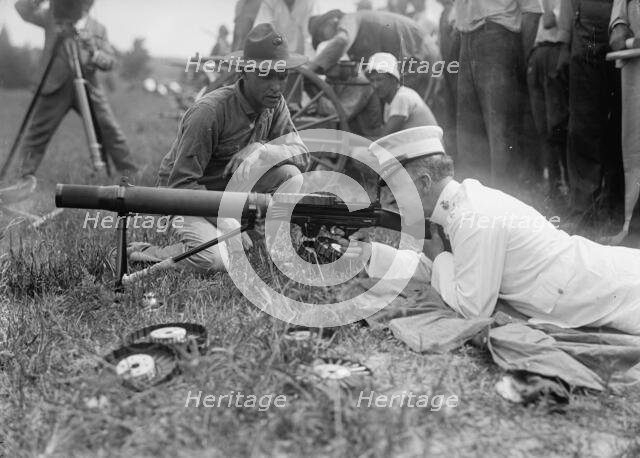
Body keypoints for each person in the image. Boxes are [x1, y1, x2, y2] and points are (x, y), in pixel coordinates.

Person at [338, 126, 640, 335]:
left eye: (395, 192)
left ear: (425, 183)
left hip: (619, 290)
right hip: (601, 278)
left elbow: (472, 309)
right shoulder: (461, 205)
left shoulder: (472, 217)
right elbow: (441, 268)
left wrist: (440, 257)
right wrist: (369, 253)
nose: (392, 203)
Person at [128, 24, 310, 273]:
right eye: (267, 75)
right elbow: (181, 183)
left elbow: (302, 154)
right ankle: (142, 252)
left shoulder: (274, 103)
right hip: (189, 199)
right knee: (212, 260)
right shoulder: (209, 111)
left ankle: (254, 240)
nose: (277, 86)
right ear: (245, 73)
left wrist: (263, 149)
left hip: (231, 193)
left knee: (291, 175)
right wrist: (227, 225)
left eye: (282, 75)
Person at [14, 0, 138, 179]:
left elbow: (110, 61)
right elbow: (22, 9)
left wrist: (93, 51)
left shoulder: (98, 28)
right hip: (55, 86)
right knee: (36, 134)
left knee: (110, 130)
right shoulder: (53, 16)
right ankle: (22, 179)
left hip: (89, 87)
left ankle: (130, 174)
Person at [454, 0, 540, 188]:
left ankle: (505, 205)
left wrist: (518, 57)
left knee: (501, 133)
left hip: (498, 35)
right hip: (466, 37)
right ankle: (476, 207)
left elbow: (533, 10)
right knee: (469, 134)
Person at [558, 0, 624, 224]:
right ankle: (583, 210)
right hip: (586, 30)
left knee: (622, 121)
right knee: (583, 124)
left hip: (625, 25)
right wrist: (564, 41)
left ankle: (617, 206)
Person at [306, 9, 437, 96]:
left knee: (405, 102)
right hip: (417, 53)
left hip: (419, 51)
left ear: (330, 22)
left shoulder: (348, 20)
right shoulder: (357, 34)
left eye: (320, 35)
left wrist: (311, 68)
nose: (323, 40)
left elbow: (341, 41)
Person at [603, 0, 640, 245]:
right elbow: (617, 31)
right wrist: (622, 32)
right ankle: (634, 227)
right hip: (636, 68)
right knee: (636, 147)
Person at [526, 0, 570, 203]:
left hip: (554, 50)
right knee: (542, 125)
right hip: (538, 52)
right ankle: (554, 186)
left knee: (556, 125)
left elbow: (550, 21)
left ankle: (565, 185)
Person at [365, 52, 438, 136]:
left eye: (379, 79)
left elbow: (384, 139)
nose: (375, 85)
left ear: (393, 79)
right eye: (371, 80)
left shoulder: (402, 98)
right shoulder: (389, 103)